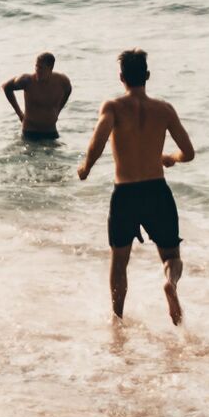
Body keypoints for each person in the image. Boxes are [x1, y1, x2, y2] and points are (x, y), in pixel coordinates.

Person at [77, 49, 195, 325]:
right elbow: (188, 152)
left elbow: (99, 140)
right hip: (157, 191)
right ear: (148, 76)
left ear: (121, 78)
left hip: (125, 194)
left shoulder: (113, 107)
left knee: (119, 261)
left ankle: (117, 318)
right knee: (171, 256)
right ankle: (170, 282)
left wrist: (86, 168)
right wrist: (170, 158)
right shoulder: (164, 110)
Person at [2, 52, 73, 140]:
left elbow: (68, 90)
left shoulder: (61, 81)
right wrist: (19, 113)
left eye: (41, 68)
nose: (37, 70)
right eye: (36, 66)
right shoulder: (26, 81)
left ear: (50, 68)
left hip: (51, 131)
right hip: (30, 132)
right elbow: (6, 87)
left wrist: (58, 110)